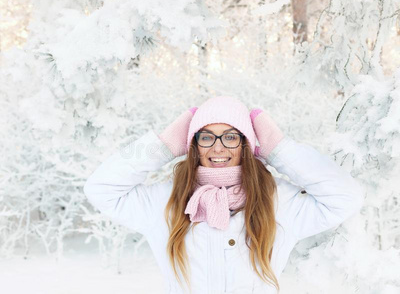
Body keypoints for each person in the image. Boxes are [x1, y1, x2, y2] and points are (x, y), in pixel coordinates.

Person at [83, 95, 364, 294]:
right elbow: (100, 188)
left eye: (230, 136)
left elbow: (345, 197)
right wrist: (162, 147)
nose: (218, 148)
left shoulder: (277, 201)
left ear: (246, 144)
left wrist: (280, 150)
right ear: (193, 145)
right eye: (206, 137)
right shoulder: (166, 201)